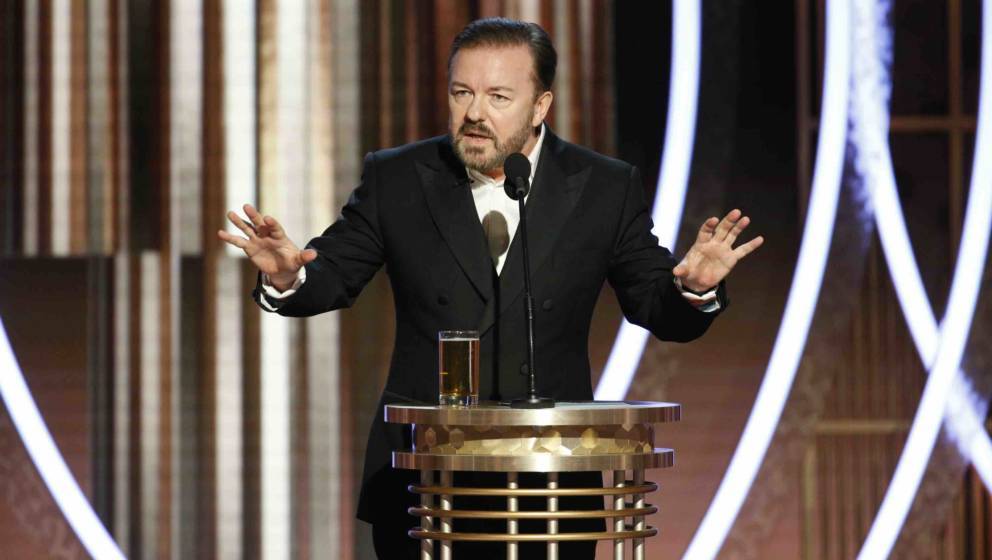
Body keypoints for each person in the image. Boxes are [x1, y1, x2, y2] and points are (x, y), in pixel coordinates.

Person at [219, 17, 762, 560]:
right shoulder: (400, 177)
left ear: (541, 106)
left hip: (551, 490)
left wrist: (693, 289)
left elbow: (654, 304)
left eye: (498, 97)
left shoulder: (603, 186)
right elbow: (333, 273)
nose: (475, 113)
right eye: (462, 93)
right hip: (422, 480)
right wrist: (288, 275)